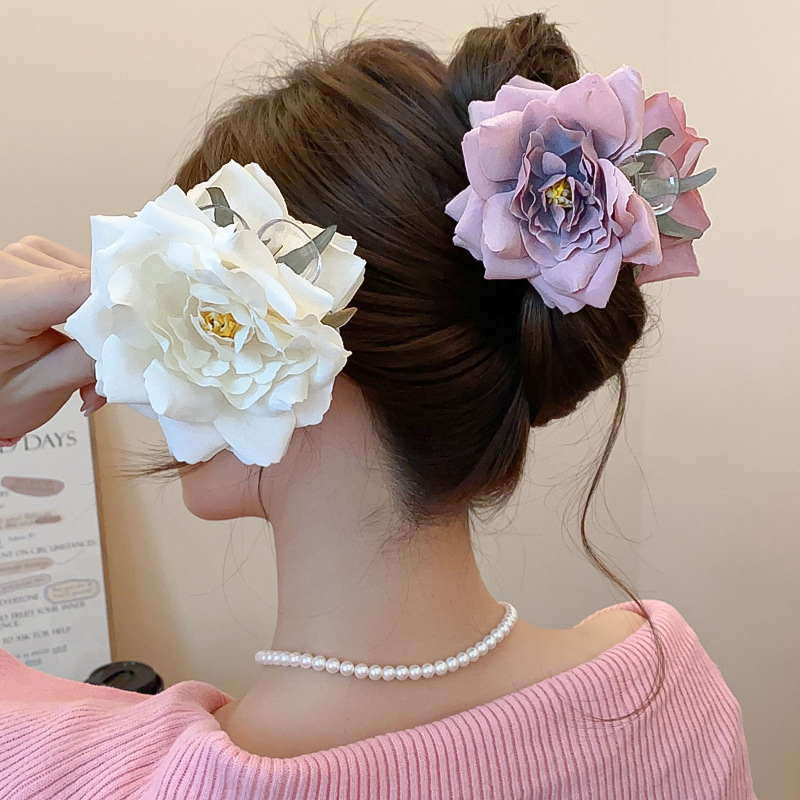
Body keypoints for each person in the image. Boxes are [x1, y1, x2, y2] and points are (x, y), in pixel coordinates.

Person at [0, 12, 756, 800]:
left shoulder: (86, 776)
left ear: (281, 334)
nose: (140, 351)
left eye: (180, 303)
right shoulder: (670, 695)